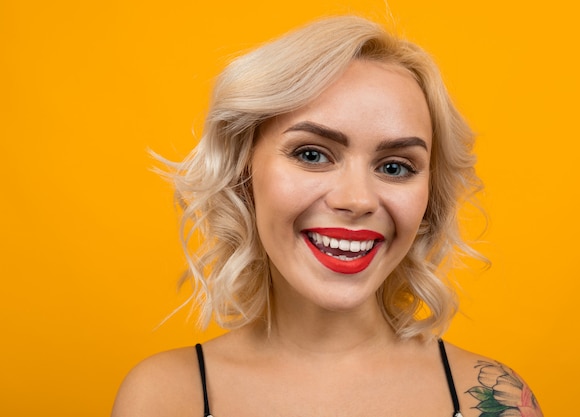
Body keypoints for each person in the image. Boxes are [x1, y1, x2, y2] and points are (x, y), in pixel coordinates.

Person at [112, 15, 543, 417]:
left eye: (395, 166)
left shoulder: (492, 399)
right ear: (245, 170)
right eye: (312, 154)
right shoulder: (164, 397)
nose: (357, 200)